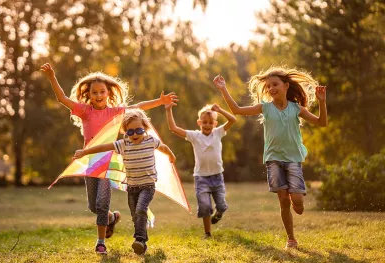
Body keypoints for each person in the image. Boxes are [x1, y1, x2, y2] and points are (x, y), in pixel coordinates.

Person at [40, 63, 178, 254]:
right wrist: (52, 78)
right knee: (93, 206)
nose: (98, 95)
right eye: (94, 92)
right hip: (90, 163)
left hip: (108, 163)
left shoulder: (114, 112)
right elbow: (62, 98)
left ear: (108, 93)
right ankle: (112, 218)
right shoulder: (85, 111)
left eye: (102, 91)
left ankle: (100, 242)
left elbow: (137, 107)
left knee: (102, 203)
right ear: (89, 94)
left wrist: (159, 101)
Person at [212, 66, 327, 248]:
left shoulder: (296, 109)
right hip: (273, 159)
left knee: (297, 204)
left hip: (293, 159)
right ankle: (291, 238)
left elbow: (322, 122)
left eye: (275, 84)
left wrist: (322, 102)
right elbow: (237, 110)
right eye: (268, 86)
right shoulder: (265, 108)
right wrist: (223, 88)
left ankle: (294, 197)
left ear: (286, 86)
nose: (271, 88)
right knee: (283, 200)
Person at [73, 109, 176, 255]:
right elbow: (104, 147)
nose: (134, 134)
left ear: (145, 128)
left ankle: (139, 239)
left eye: (139, 130)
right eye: (130, 132)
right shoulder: (123, 144)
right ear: (125, 132)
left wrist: (171, 156)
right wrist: (85, 152)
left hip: (148, 186)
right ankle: (143, 242)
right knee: (135, 215)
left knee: (141, 209)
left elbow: (164, 147)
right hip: (132, 187)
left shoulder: (151, 141)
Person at [165, 102, 236, 239]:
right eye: (204, 122)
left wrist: (220, 110)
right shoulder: (194, 136)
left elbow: (233, 120)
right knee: (204, 206)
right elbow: (173, 128)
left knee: (221, 205)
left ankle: (219, 213)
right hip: (201, 178)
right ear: (199, 122)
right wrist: (168, 110)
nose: (207, 125)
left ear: (215, 123)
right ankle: (207, 233)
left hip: (217, 176)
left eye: (210, 122)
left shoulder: (218, 133)